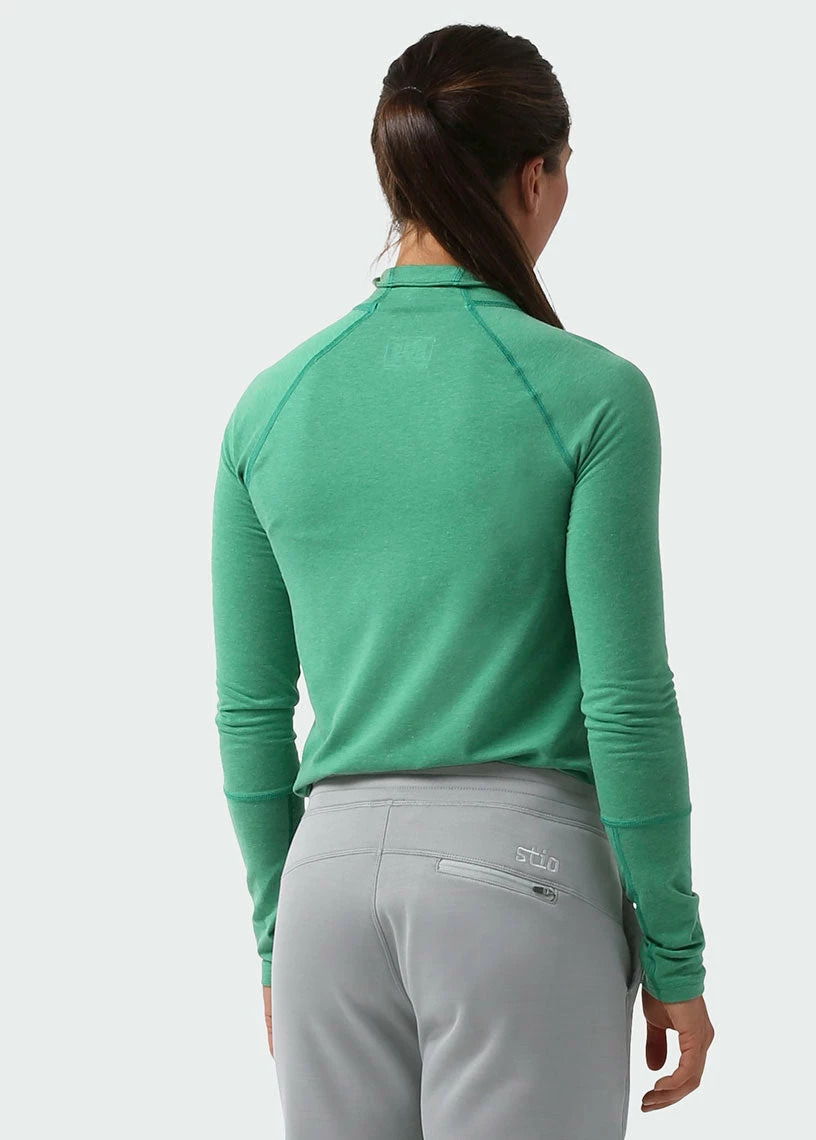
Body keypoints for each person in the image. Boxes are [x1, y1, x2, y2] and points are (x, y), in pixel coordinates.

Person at [211, 21, 715, 1139]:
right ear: (534, 175)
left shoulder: (269, 406)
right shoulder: (592, 395)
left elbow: (251, 715)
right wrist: (674, 953)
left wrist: (276, 938)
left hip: (323, 889)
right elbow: (626, 700)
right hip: (518, 882)